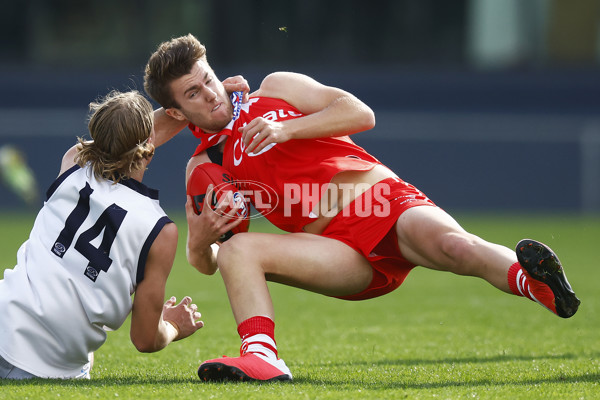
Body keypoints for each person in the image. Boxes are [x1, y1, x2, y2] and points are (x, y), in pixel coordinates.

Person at [143, 34, 580, 382]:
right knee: (238, 251)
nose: (211, 95)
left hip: (380, 201)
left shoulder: (275, 89)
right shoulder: (204, 167)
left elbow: (360, 112)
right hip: (338, 250)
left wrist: (288, 128)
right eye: (193, 93)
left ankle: (537, 283)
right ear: (177, 112)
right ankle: (264, 358)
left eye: (209, 78)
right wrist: (199, 245)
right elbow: (211, 263)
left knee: (455, 248)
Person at [0, 90, 204, 380]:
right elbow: (145, 339)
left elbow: (119, 140)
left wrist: (183, 110)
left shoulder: (73, 163)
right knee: (86, 356)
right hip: (43, 366)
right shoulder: (160, 230)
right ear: (150, 147)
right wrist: (173, 326)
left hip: (3, 321)